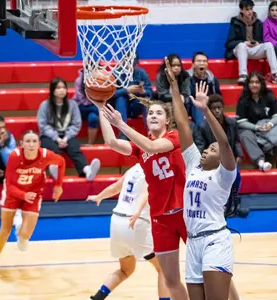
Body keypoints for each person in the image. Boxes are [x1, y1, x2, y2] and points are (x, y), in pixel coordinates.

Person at [90, 92, 189, 300]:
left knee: (204, 267)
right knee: (171, 279)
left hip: (184, 212)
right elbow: (112, 142)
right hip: (160, 218)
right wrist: (101, 108)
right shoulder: (139, 148)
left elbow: (152, 146)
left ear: (168, 120)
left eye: (158, 113)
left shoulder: (174, 137)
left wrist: (121, 124)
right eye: (150, 113)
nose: (152, 115)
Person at [166, 56, 240, 300]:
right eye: (207, 147)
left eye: (213, 149)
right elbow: (183, 126)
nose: (208, 148)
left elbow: (226, 145)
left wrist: (205, 111)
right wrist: (174, 87)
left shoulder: (224, 175)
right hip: (193, 243)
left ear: (221, 159)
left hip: (215, 242)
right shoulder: (193, 165)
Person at [0, 130, 66, 274]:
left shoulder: (46, 155)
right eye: (28, 141)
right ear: (22, 144)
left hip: (33, 193)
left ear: (39, 143)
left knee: (24, 240)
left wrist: (58, 185)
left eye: (34, 141)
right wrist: (22, 194)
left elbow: (62, 162)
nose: (31, 144)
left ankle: (20, 227)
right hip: (13, 193)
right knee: (4, 230)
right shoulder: (15, 156)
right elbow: (9, 184)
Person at [86, 163, 171, 300]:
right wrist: (138, 211)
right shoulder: (153, 168)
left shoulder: (134, 168)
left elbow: (116, 187)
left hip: (117, 221)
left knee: (126, 270)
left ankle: (98, 297)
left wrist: (99, 196)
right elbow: (147, 190)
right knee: (164, 269)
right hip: (135, 221)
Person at [194, 94, 248, 219]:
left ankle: (234, 204)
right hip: (211, 161)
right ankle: (220, 206)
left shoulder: (231, 123)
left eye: (219, 108)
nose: (217, 111)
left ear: (223, 108)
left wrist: (239, 155)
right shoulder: (202, 126)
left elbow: (235, 142)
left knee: (236, 174)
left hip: (227, 161)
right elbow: (201, 146)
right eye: (214, 108)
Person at [37, 77, 101, 181]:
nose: (62, 90)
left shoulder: (72, 104)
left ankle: (86, 170)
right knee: (52, 148)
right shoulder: (45, 105)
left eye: (63, 87)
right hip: (49, 135)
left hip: (67, 135)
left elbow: (76, 124)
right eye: (58, 88)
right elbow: (43, 125)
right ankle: (55, 170)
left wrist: (66, 138)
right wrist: (57, 138)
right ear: (52, 90)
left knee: (75, 149)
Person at [236, 72, 277, 172]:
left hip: (267, 128)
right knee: (244, 134)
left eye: (257, 82)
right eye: (251, 82)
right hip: (251, 129)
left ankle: (267, 163)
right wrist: (256, 128)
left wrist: (270, 124)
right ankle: (260, 162)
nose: (254, 85)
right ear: (248, 84)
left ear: (261, 84)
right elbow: (241, 122)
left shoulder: (269, 96)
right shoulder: (243, 99)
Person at [224, 0, 277, 85]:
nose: (250, 12)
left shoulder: (258, 23)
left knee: (268, 45)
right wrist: (244, 42)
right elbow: (229, 43)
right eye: (247, 9)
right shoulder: (235, 23)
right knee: (241, 45)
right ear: (241, 10)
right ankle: (243, 76)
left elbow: (261, 40)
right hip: (240, 50)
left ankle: (275, 75)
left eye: (251, 9)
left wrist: (258, 43)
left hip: (254, 50)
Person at [187, 51, 222, 124]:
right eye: (199, 61)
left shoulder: (212, 79)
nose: (202, 63)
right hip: (192, 107)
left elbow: (218, 96)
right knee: (199, 108)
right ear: (193, 64)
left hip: (208, 105)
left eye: (204, 61)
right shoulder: (186, 79)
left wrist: (209, 100)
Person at [72, 69, 100, 145]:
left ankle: (90, 143)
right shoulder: (79, 80)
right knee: (97, 109)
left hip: (92, 108)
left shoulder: (101, 80)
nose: (97, 71)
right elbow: (81, 98)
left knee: (93, 118)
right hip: (80, 107)